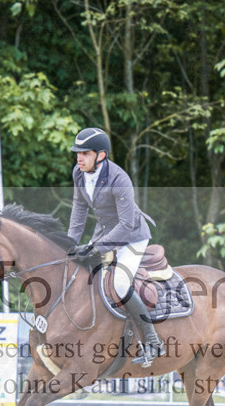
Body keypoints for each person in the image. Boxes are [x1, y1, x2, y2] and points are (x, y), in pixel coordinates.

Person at [66, 127, 165, 365]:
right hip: (105, 232)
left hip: (132, 235)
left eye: (85, 153)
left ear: (101, 155)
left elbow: (125, 223)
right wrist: (68, 246)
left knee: (120, 284)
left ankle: (152, 341)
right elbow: (78, 212)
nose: (79, 158)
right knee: (78, 273)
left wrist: (95, 247)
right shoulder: (79, 173)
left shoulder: (119, 179)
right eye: (77, 153)